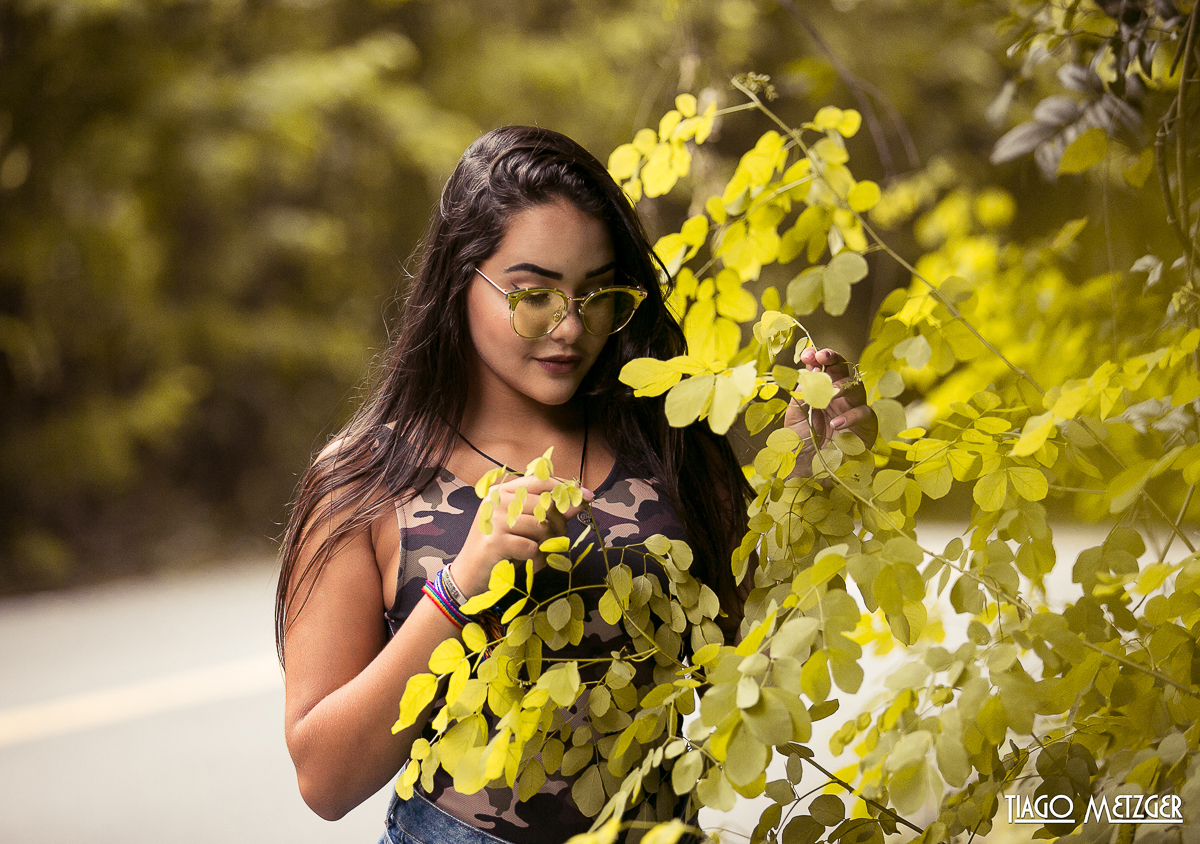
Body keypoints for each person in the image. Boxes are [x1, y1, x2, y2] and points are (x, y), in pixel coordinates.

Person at [275, 125, 874, 844]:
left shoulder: (667, 443)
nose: (570, 326)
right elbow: (325, 779)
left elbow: (747, 669)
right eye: (534, 294)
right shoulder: (367, 479)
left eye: (595, 294)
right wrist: (461, 588)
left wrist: (818, 480)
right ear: (460, 278)